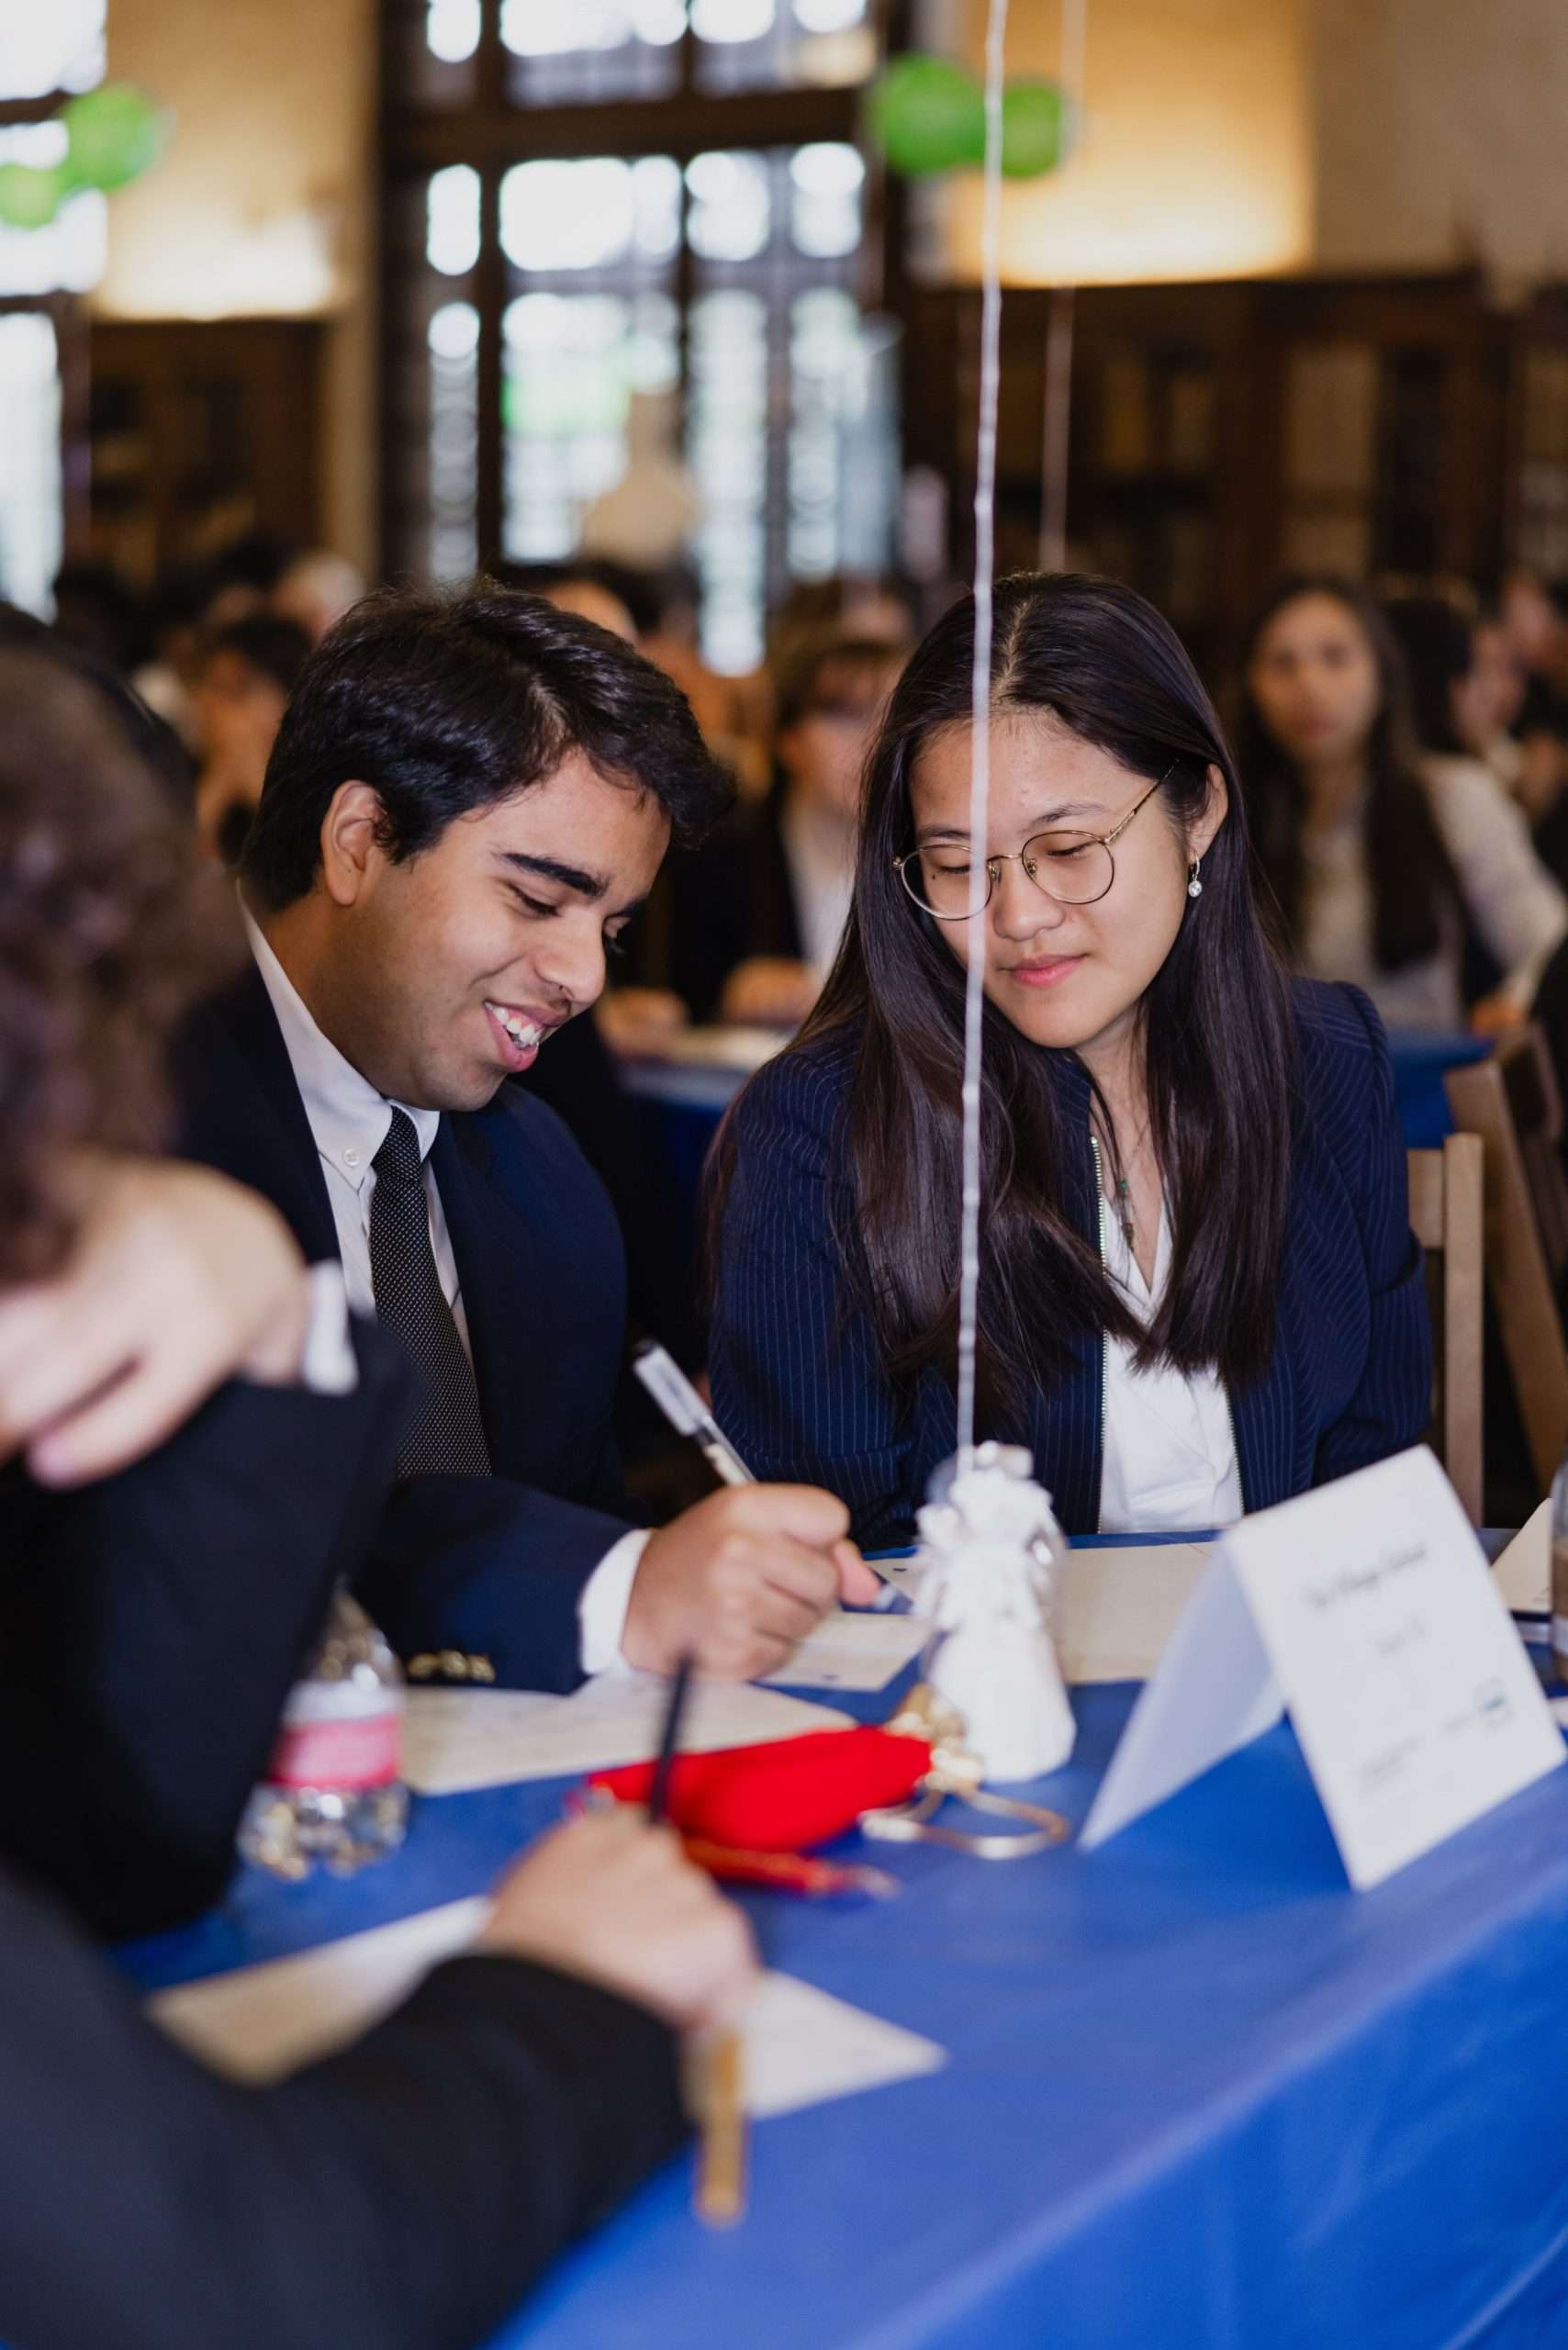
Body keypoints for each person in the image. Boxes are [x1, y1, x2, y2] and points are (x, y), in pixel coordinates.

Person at [0, 646, 757, 2350]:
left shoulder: (536, 1181)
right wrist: (558, 2001)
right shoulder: (171, 1126)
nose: (580, 980)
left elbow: (107, 1837)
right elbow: (240, 2278)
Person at [175, 581, 878, 1693]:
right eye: (537, 899)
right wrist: (613, 1590)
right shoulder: (121, 1118)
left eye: (611, 925)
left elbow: (574, 1532)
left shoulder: (543, 1180)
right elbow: (211, 1547)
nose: (586, 978)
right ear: (359, 840)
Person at [707, 572, 1430, 1549]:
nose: (1018, 917)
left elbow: (1370, 1473)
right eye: (959, 865)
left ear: (1199, 811)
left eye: (1069, 846)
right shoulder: (825, 1126)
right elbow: (841, 1554)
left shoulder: (1324, 1062)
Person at [1239, 576, 1565, 1032]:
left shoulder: (1450, 795)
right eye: (1282, 664)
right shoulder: (1239, 818)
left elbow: (1548, 941)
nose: (1309, 686)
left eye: (1335, 658)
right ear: (1252, 686)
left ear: (1383, 674)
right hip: (1280, 1092)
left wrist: (1515, 1005)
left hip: (1419, 1086)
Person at [649, 630, 905, 1028]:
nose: (873, 741)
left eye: (894, 716)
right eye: (845, 715)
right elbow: (667, 999)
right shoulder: (716, 856)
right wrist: (728, 994)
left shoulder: (937, 857)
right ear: (789, 740)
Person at [1381, 591, 1568, 1023]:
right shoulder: (1467, 780)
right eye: (1481, 670)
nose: (1499, 693)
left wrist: (1516, 1002)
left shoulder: (1463, 787)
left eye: (1509, 669)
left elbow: (1544, 936)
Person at [193, 610, 314, 863]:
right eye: (209, 687)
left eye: (236, 692)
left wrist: (259, 794)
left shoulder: (321, 789)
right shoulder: (182, 775)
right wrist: (214, 795)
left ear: (289, 699)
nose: (211, 706)